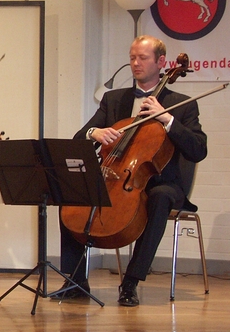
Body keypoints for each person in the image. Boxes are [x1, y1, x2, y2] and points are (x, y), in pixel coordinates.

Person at [55, 35, 208, 306]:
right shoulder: (114, 100)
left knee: (160, 198)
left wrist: (167, 118)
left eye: (142, 58)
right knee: (73, 192)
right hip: (117, 176)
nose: (135, 63)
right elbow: (80, 136)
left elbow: (198, 149)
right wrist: (95, 132)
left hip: (161, 181)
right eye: (132, 58)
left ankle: (130, 282)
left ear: (161, 62)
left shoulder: (181, 105)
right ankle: (77, 280)